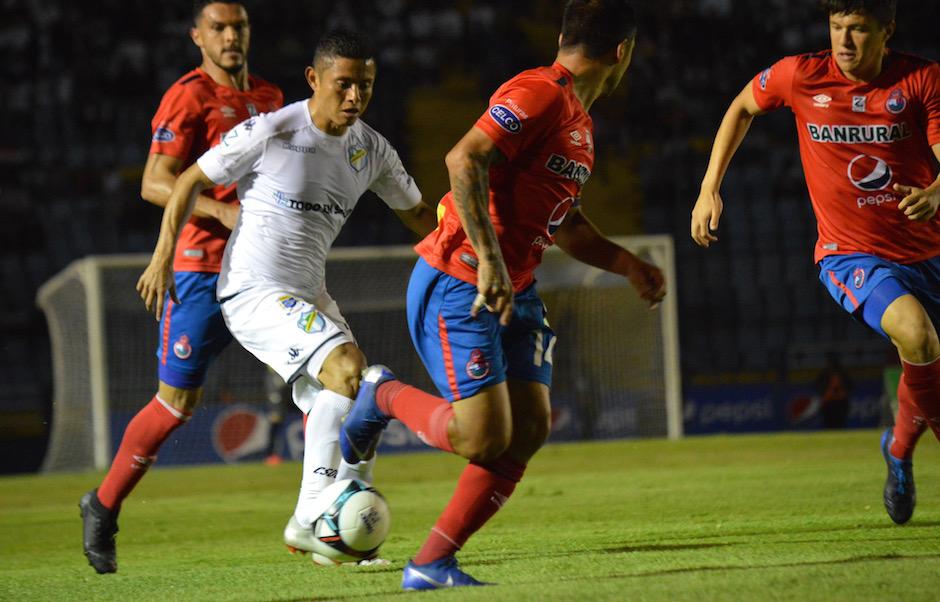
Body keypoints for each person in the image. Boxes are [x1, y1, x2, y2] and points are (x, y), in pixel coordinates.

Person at [341, 0, 665, 589]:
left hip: (514, 288)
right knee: (483, 438)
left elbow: (565, 224)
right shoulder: (540, 91)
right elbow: (464, 158)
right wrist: (489, 258)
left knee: (531, 429)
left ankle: (431, 564)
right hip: (461, 280)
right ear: (623, 52)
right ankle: (380, 394)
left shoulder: (579, 124)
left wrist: (627, 265)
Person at [136, 28, 437, 564]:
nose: (354, 97)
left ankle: (326, 535)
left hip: (306, 293)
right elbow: (186, 182)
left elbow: (419, 215)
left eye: (364, 86)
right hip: (251, 290)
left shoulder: (371, 150)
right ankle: (321, 511)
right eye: (343, 84)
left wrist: (470, 251)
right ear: (313, 79)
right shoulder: (272, 130)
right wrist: (162, 258)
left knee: (357, 398)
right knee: (346, 368)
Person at [691, 0, 940, 526]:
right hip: (851, 254)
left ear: (886, 31)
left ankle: (897, 451)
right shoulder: (800, 75)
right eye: (837, 27)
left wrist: (937, 191)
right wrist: (709, 188)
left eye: (859, 29)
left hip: (930, 249)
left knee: (920, 357)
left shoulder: (921, 80)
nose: (844, 41)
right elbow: (741, 107)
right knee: (915, 334)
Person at [79, 0, 283, 574]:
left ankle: (327, 513)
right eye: (218, 27)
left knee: (324, 371)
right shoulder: (188, 96)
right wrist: (220, 215)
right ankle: (103, 503)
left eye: (238, 26)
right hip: (201, 269)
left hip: (262, 268)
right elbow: (153, 182)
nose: (229, 36)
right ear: (198, 36)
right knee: (176, 406)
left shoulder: (270, 97)